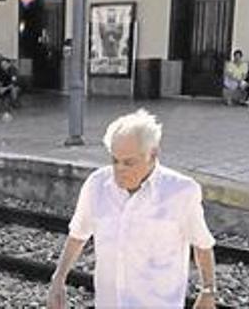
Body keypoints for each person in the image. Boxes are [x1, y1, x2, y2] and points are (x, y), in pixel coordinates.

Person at [47, 110, 217, 309]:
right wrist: (58, 279)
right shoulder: (96, 185)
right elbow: (78, 234)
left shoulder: (181, 192)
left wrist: (208, 290)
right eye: (114, 160)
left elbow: (203, 244)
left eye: (129, 162)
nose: (119, 169)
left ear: (153, 154)